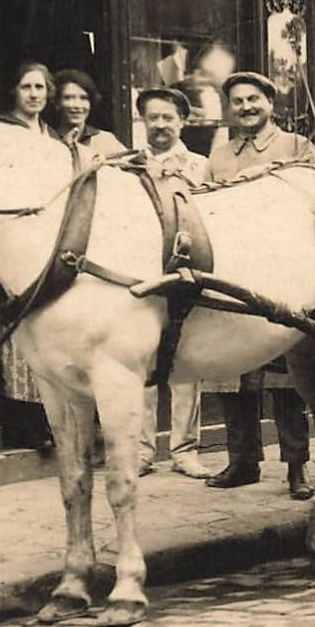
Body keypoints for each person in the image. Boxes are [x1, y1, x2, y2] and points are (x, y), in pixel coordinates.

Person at [202, 70, 315, 499]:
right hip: (233, 271)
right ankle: (243, 460)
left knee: (286, 370)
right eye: (238, 102)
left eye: (254, 99)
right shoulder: (218, 156)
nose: (246, 108)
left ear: (271, 102)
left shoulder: (295, 147)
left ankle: (296, 468)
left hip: (284, 267)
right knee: (234, 369)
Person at [132, 86, 213, 479]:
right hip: (143, 274)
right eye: (153, 117)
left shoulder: (200, 165)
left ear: (183, 122)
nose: (160, 124)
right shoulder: (129, 166)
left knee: (186, 361)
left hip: (186, 272)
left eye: (168, 117)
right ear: (142, 122)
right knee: (143, 363)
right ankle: (142, 451)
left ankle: (185, 450)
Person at [0, 60, 61, 450]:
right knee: (19, 332)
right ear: (15, 93)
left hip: (48, 237)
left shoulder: (51, 135)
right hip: (16, 237)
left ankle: (48, 419)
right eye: (26, 88)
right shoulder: (4, 130)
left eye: (39, 88)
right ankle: (26, 424)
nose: (34, 95)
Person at [52, 69, 127, 162]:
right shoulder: (47, 139)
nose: (77, 105)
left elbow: (136, 169)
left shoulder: (105, 140)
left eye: (84, 98)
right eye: (68, 98)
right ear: (57, 103)